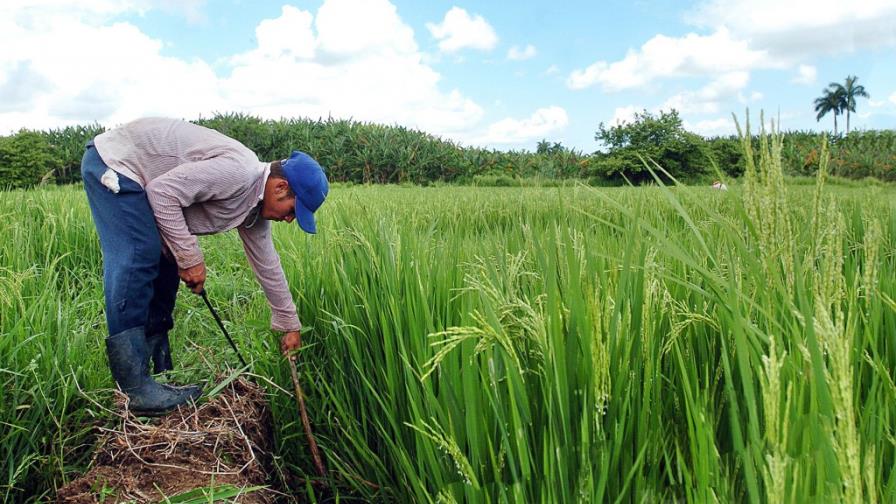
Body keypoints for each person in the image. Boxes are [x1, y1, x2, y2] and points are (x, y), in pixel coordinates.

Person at [81, 117, 329, 416]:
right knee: (140, 254)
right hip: (116, 163)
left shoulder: (254, 208)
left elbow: (268, 264)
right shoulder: (239, 172)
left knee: (166, 261)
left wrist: (290, 324)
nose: (290, 220)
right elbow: (162, 193)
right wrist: (192, 259)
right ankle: (136, 389)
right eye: (293, 211)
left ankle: (159, 373)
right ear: (280, 187)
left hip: (140, 176)